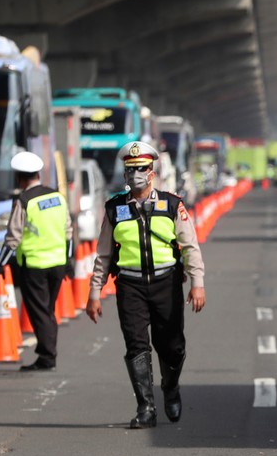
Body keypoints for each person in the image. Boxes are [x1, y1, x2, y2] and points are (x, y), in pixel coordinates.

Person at [86, 141, 206, 429]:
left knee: (172, 346)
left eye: (141, 169)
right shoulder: (115, 208)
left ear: (152, 172)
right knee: (136, 345)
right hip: (130, 286)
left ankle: (171, 387)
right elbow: (103, 254)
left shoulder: (172, 205)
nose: (135, 174)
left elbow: (190, 246)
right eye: (130, 170)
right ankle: (146, 408)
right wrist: (94, 292)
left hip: (167, 284)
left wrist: (197, 283)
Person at [0, 151, 73, 371]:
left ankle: (48, 357)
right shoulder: (57, 197)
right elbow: (68, 230)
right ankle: (47, 354)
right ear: (38, 174)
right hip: (58, 264)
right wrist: (69, 260)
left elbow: (13, 236)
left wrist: (1, 263)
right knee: (47, 311)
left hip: (35, 266)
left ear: (19, 178)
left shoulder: (24, 200)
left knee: (40, 313)